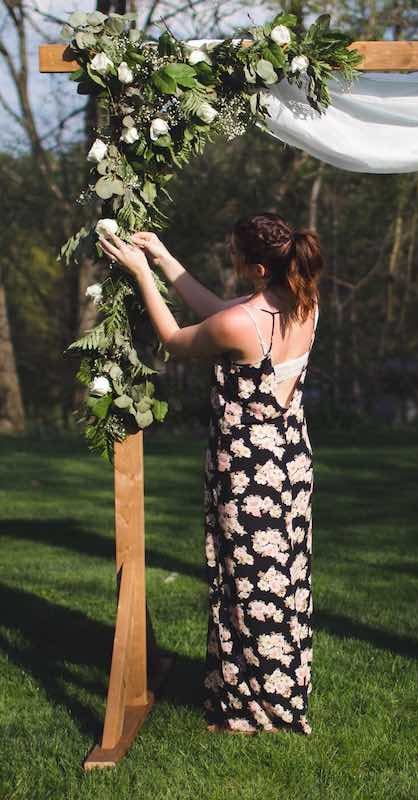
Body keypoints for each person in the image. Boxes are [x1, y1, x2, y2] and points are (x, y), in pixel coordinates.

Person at [98, 212, 322, 735]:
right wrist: (163, 258)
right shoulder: (303, 302)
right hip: (290, 460)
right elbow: (222, 311)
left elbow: (176, 340)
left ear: (258, 268)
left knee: (248, 584)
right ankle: (277, 688)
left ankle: (256, 710)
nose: (231, 260)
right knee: (282, 577)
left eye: (236, 256)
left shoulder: (240, 324)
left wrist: (140, 274)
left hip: (249, 471)